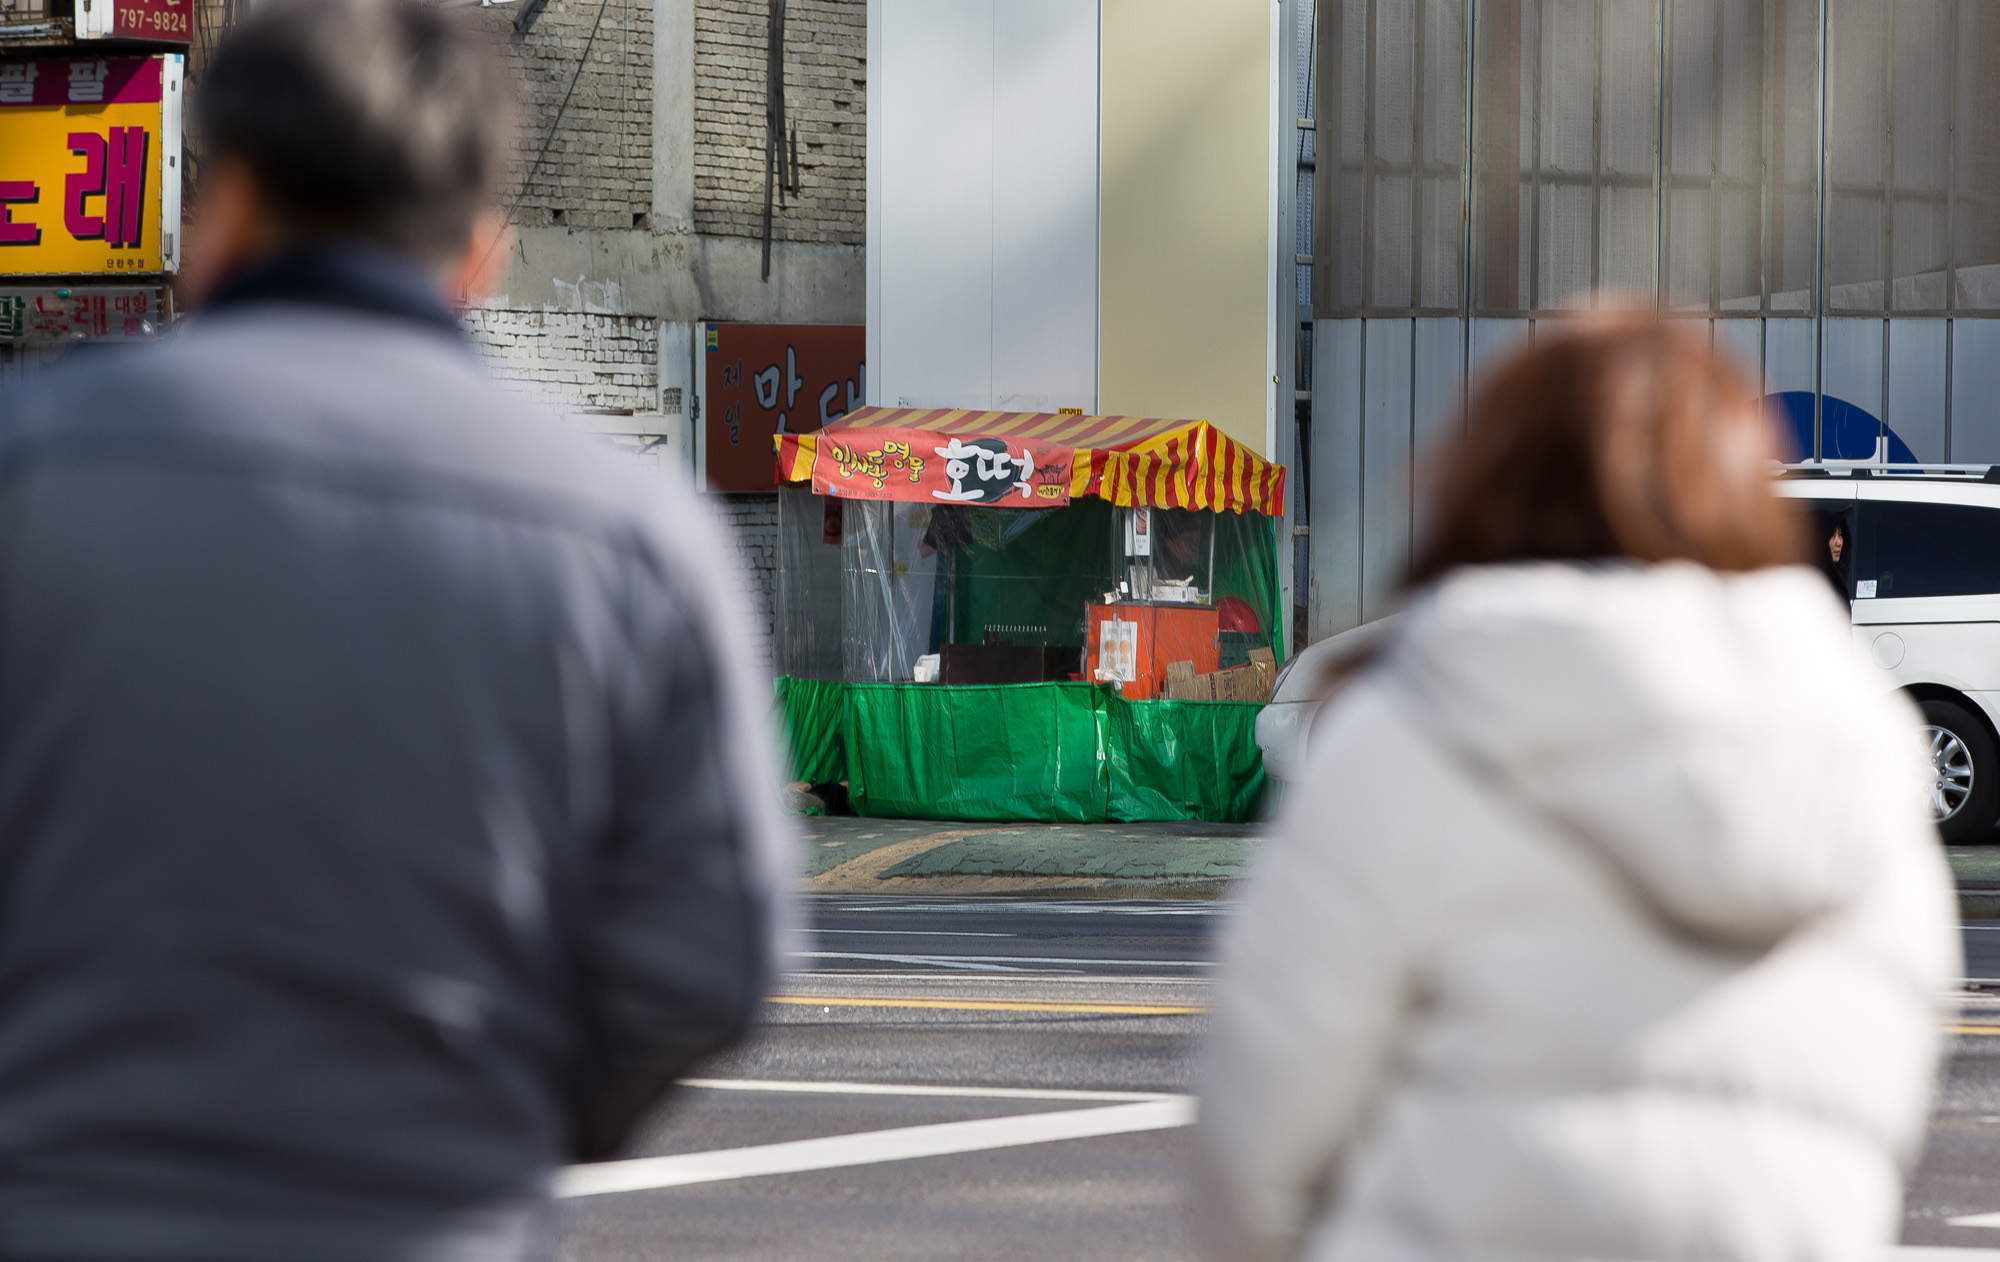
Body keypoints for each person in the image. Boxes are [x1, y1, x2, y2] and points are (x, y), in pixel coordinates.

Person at [0, 1, 793, 1257]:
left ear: (229, 201)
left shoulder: (30, 468)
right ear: (481, 251)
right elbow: (705, 960)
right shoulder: (636, 535)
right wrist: (479, 1121)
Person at [1196, 313, 1958, 1262]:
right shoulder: (1863, 753)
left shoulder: (1417, 722)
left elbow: (1261, 1125)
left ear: (1489, 482)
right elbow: (1881, 1107)